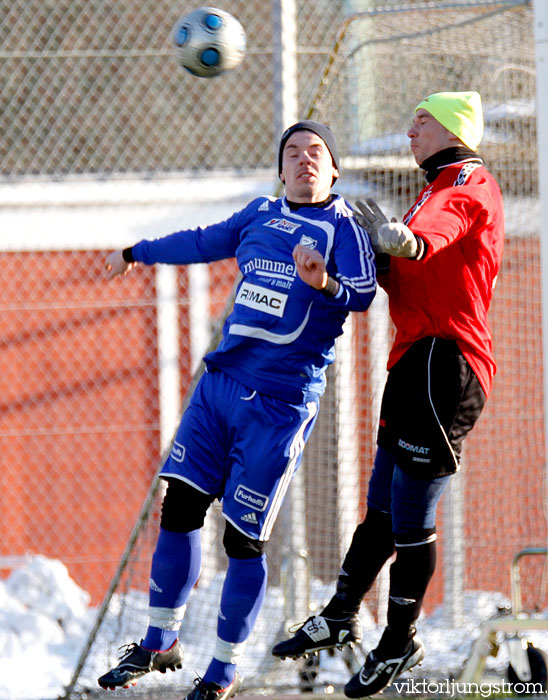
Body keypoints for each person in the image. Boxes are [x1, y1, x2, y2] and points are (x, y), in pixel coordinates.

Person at [96, 120, 377, 700]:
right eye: (293, 151)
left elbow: (364, 293)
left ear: (333, 169)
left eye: (316, 152)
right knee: (179, 507)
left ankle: (223, 671)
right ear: (279, 169)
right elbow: (202, 241)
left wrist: (322, 283)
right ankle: (159, 640)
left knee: (243, 542)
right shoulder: (258, 214)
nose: (304, 159)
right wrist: (138, 251)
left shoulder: (343, 228)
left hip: (278, 405)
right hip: (219, 386)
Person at [272, 91, 505, 698]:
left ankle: (399, 639)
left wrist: (401, 239)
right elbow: (407, 262)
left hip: (445, 362)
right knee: (381, 502)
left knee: (409, 512)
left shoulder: (466, 181)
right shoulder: (433, 184)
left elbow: (432, 234)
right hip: (413, 362)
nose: (409, 131)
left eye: (420, 121)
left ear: (452, 128)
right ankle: (343, 611)